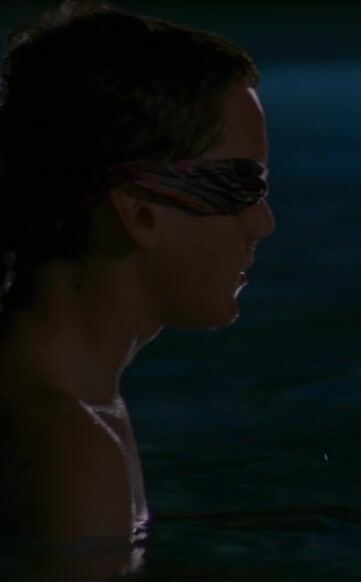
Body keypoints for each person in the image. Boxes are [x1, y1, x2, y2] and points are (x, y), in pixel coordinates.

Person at [0, 1, 272, 576]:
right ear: (139, 210)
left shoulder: (66, 401)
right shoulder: (68, 448)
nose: (262, 223)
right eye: (240, 186)